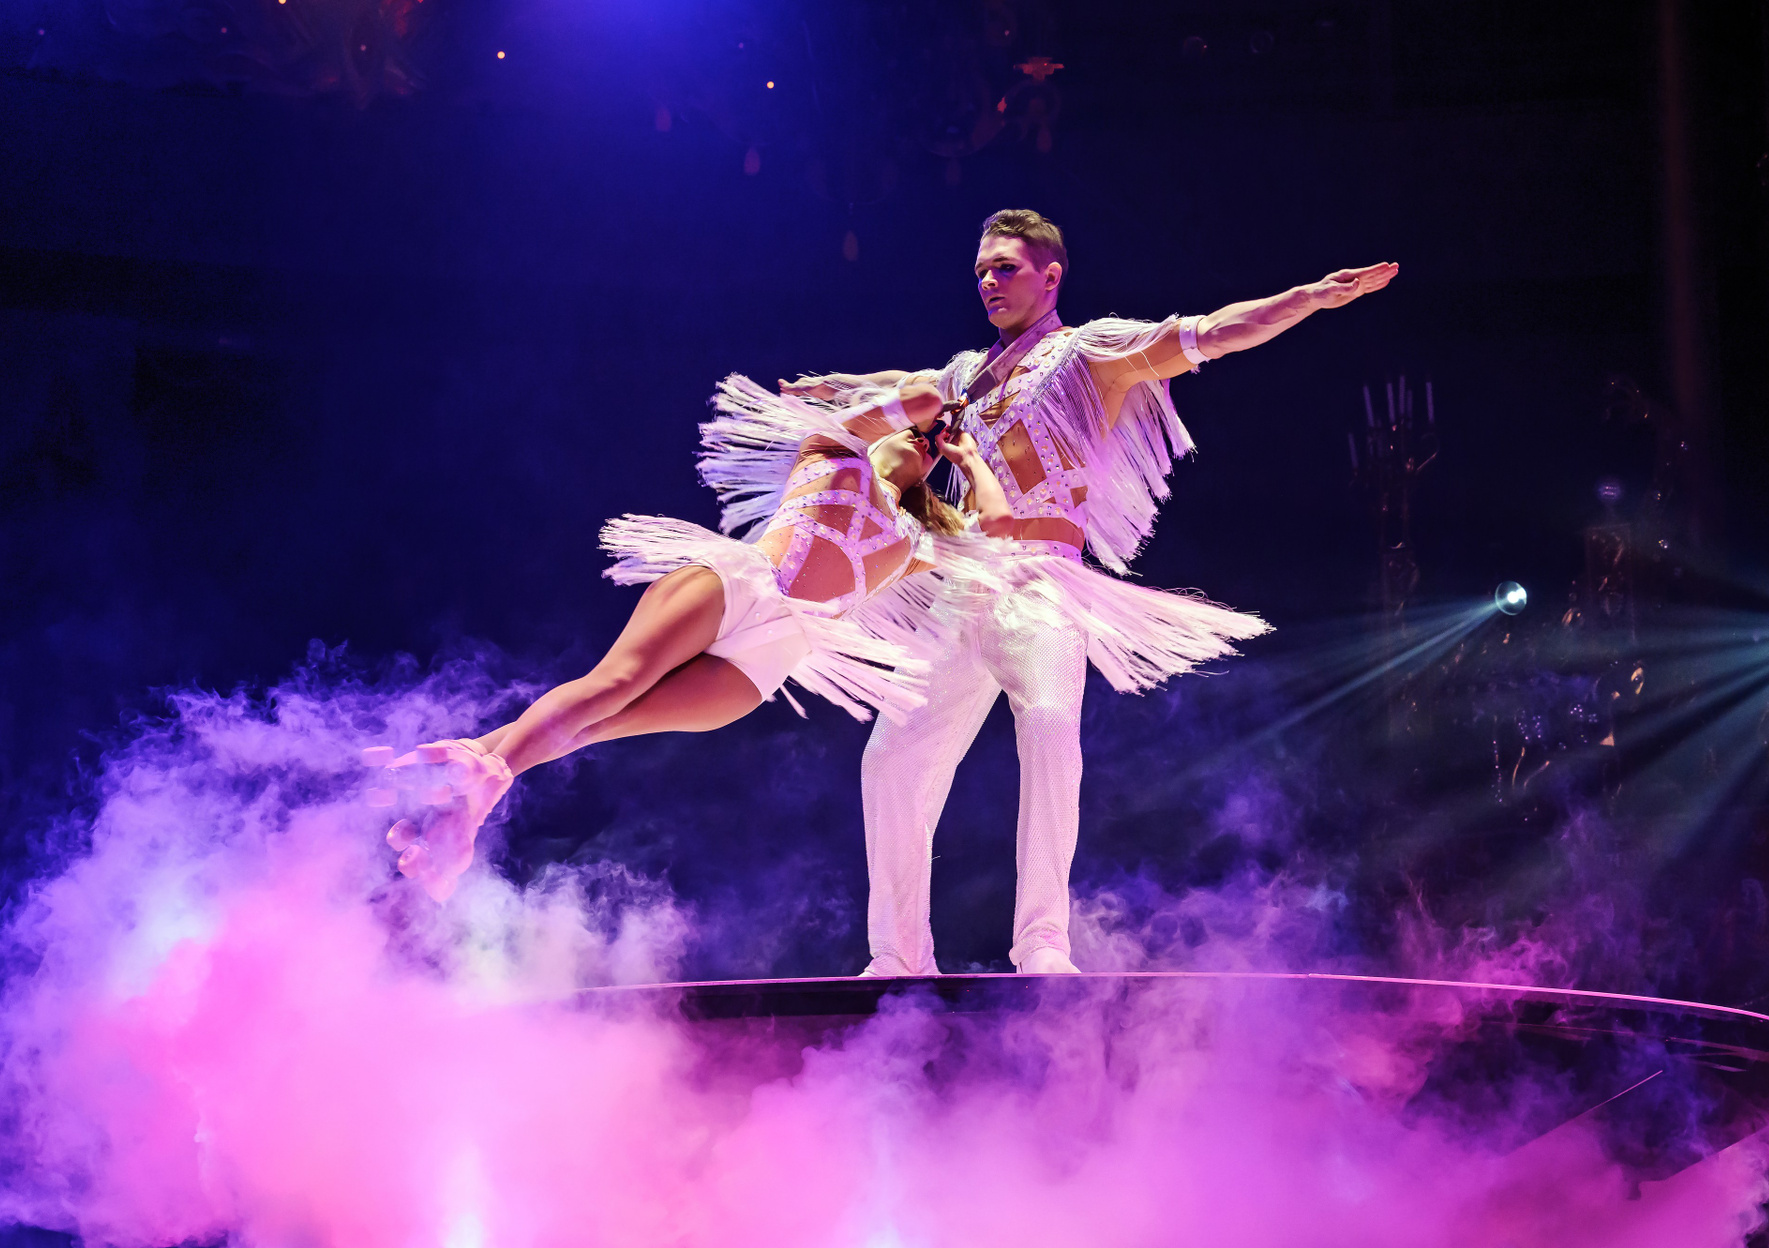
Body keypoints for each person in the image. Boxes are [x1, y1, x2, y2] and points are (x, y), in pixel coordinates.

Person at [782, 209, 1397, 976]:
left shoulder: (1087, 353)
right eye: (980, 271)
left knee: (1047, 728)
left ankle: (1042, 940)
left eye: (1005, 267)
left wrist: (1308, 296)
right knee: (890, 755)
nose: (988, 281)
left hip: (1043, 580)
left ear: (1051, 276)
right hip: (965, 579)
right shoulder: (966, 377)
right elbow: (897, 391)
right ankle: (898, 955)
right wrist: (834, 391)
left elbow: (1211, 332)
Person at [368, 376, 1016, 900]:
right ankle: (471, 799)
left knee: (597, 726)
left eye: (933, 449)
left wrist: (966, 456)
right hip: (740, 585)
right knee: (612, 686)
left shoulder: (914, 544)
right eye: (916, 434)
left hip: (770, 657)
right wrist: (937, 405)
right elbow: (922, 396)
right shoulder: (832, 448)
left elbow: (1000, 529)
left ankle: (457, 775)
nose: (926, 442)